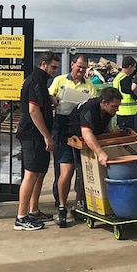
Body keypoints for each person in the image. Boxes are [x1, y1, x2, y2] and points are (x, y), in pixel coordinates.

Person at [14, 51, 60, 231]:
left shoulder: (40, 81)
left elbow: (38, 101)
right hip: (33, 135)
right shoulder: (35, 80)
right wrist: (46, 136)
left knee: (39, 173)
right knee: (31, 174)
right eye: (53, 67)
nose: (55, 71)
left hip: (38, 135)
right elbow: (33, 110)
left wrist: (50, 99)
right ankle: (21, 217)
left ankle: (33, 211)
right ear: (44, 63)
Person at [48, 53, 95, 223]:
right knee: (64, 170)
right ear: (72, 65)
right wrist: (54, 99)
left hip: (80, 132)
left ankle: (78, 206)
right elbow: (49, 96)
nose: (81, 70)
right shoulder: (59, 80)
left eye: (84, 67)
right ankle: (61, 206)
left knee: (82, 172)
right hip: (62, 129)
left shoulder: (89, 86)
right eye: (79, 66)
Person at [67, 87, 122, 167]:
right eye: (114, 106)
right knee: (67, 172)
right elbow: (86, 132)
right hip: (69, 138)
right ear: (104, 102)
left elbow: (108, 127)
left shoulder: (107, 110)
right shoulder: (90, 108)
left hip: (87, 141)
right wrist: (100, 153)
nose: (117, 109)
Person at [114, 56, 137, 131]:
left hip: (120, 112)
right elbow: (133, 94)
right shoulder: (126, 79)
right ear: (130, 66)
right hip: (130, 113)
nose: (134, 69)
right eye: (134, 67)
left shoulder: (117, 78)